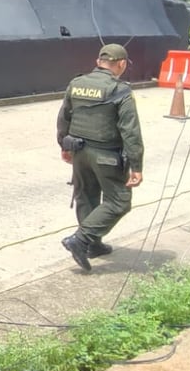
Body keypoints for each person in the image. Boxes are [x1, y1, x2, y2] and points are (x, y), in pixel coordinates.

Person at [55, 44, 144, 272]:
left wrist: (63, 145)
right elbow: (130, 131)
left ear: (98, 61)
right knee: (119, 201)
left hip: (79, 152)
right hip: (107, 156)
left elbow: (64, 117)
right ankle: (81, 239)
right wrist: (136, 165)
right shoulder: (121, 90)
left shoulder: (77, 84)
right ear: (122, 64)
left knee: (86, 196)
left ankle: (92, 246)